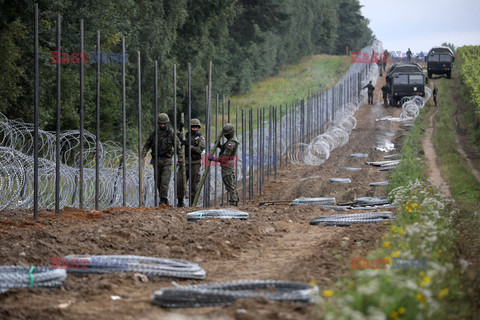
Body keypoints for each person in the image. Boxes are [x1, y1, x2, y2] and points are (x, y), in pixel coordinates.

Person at [142, 113, 183, 206]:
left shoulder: (171, 133)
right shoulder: (155, 133)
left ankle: (163, 200)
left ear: (167, 123)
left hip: (167, 161)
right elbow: (148, 144)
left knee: (165, 181)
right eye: (160, 124)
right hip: (156, 161)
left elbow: (178, 147)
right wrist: (144, 152)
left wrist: (180, 159)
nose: (162, 125)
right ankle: (163, 199)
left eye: (164, 124)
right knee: (158, 182)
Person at [208, 123, 239, 206]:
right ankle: (234, 200)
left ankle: (233, 202)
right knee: (231, 183)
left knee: (229, 184)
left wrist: (213, 158)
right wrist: (220, 146)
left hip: (227, 166)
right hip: (228, 165)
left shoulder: (231, 144)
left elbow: (223, 159)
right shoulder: (231, 141)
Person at [177, 118, 206, 207]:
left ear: (198, 128)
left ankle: (192, 203)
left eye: (195, 127)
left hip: (195, 163)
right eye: (192, 127)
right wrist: (179, 129)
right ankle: (180, 201)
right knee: (180, 182)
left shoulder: (201, 138)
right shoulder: (186, 135)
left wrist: (189, 146)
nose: (194, 129)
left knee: (194, 185)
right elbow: (178, 137)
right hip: (185, 162)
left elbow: (199, 150)